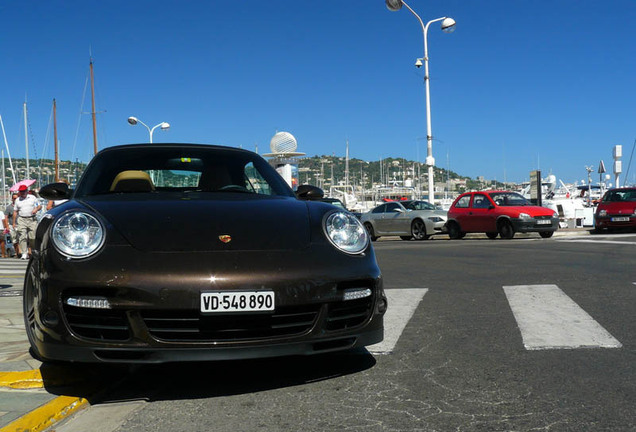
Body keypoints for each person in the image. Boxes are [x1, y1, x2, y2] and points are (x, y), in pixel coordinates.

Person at [12, 185, 42, 260]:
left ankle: (32, 250)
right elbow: (15, 212)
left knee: (32, 237)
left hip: (32, 219)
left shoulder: (32, 198)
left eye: (24, 191)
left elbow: (39, 206)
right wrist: (13, 222)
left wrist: (36, 209)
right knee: (22, 236)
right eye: (21, 191)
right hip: (22, 219)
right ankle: (24, 253)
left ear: (26, 191)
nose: (22, 193)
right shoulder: (18, 200)